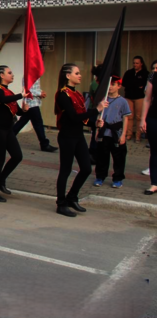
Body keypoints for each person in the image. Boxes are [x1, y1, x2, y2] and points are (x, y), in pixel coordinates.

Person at [55, 63, 108, 217]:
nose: (80, 75)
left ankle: (72, 196)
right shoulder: (62, 94)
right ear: (67, 76)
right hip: (67, 137)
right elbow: (72, 117)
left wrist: (94, 123)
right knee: (65, 170)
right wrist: (96, 110)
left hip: (78, 136)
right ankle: (61, 203)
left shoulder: (76, 94)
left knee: (86, 168)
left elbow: (82, 118)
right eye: (76, 73)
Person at [0, 66, 27, 202]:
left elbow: (18, 111)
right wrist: (21, 95)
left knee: (17, 156)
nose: (12, 75)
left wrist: (25, 109)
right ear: (1, 75)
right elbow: (3, 100)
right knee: (0, 160)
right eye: (9, 73)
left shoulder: (8, 91)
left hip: (8, 129)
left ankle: (1, 180)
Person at [93, 76, 131, 188]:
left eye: (113, 84)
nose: (110, 87)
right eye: (109, 84)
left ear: (119, 86)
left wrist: (123, 134)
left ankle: (118, 178)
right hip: (104, 133)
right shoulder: (103, 100)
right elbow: (99, 116)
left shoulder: (123, 101)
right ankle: (100, 177)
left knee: (119, 157)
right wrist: (97, 129)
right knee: (102, 157)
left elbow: (125, 118)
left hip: (116, 133)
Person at [13, 78, 57, 152]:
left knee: (22, 122)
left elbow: (33, 89)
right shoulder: (29, 75)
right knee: (38, 123)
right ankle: (44, 144)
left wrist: (40, 92)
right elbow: (27, 90)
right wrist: (39, 93)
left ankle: (8, 137)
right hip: (31, 103)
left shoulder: (35, 75)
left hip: (33, 103)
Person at [122, 56, 149, 144]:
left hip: (139, 97)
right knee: (129, 116)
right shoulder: (129, 73)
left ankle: (138, 136)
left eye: (137, 63)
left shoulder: (145, 73)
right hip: (129, 97)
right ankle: (128, 134)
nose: (135, 64)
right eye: (134, 63)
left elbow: (145, 85)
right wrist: (136, 85)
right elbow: (124, 83)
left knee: (139, 117)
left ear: (141, 63)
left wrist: (136, 85)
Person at [140, 61, 157, 195]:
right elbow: (147, 99)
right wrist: (143, 119)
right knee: (155, 151)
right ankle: (154, 183)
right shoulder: (153, 77)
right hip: (154, 117)